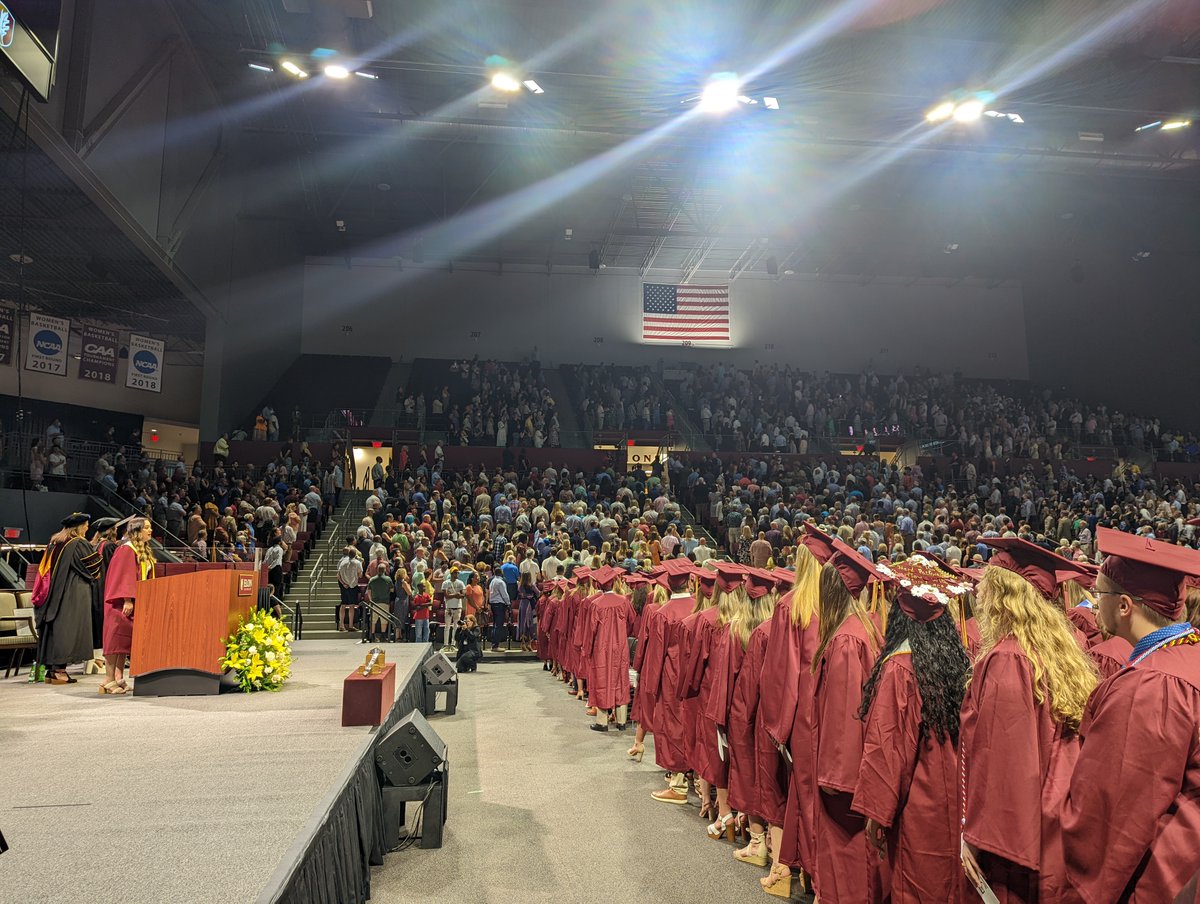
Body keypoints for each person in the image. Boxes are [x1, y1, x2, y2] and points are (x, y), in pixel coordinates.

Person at [1062, 528, 1200, 903]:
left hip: (1162, 880)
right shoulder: (1189, 659)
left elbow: (1115, 817)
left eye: (1099, 593)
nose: (1094, 602)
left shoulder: (1152, 686)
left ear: (1124, 605)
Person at [960, 536, 1099, 903]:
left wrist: (976, 838)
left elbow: (1004, 760)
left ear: (1003, 594)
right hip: (1053, 815)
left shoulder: (1010, 659)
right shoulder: (1055, 649)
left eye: (987, 586)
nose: (979, 593)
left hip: (1018, 835)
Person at [853, 555, 973, 903]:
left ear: (899, 614)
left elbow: (888, 748)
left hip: (917, 803)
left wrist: (877, 813)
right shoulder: (957, 662)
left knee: (913, 886)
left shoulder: (900, 668)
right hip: (954, 797)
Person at [34, 513, 102, 684]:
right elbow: (93, 568)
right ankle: (59, 670)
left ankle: (51, 670)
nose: (87, 528)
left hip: (53, 592)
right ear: (78, 527)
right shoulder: (78, 543)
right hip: (70, 592)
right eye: (86, 525)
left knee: (55, 628)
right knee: (67, 629)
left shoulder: (55, 542)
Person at [101, 518, 155, 695]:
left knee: (123, 642)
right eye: (147, 528)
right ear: (137, 531)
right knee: (115, 640)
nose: (150, 530)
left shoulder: (141, 550)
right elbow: (124, 575)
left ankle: (118, 677)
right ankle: (108, 680)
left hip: (133, 602)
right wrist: (127, 599)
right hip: (121, 604)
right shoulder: (126, 549)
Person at [336, 542, 364, 633]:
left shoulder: (342, 562)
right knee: (352, 606)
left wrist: (343, 583)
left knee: (343, 605)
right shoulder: (357, 563)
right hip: (353, 586)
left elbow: (338, 575)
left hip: (344, 586)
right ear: (355, 554)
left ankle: (341, 625)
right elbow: (360, 575)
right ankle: (351, 625)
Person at [366, 567, 395, 642]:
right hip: (384, 602)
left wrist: (370, 600)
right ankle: (383, 636)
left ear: (377, 570)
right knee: (384, 620)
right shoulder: (388, 579)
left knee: (373, 620)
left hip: (374, 602)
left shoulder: (372, 579)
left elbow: (369, 591)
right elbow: (392, 590)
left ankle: (372, 636)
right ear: (385, 570)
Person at [442, 567, 467, 651]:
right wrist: (456, 595)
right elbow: (446, 595)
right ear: (451, 574)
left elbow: (463, 595)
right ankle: (445, 644)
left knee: (456, 626)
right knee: (447, 626)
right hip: (449, 607)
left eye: (457, 573)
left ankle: (453, 643)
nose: (456, 574)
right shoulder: (446, 583)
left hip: (458, 607)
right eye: (454, 573)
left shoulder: (460, 583)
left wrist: (452, 595)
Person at [488, 566, 512, 651]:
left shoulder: (492, 581)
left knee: (495, 625)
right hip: (499, 604)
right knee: (498, 625)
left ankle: (493, 643)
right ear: (501, 573)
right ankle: (495, 645)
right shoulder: (501, 582)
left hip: (493, 604)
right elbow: (504, 594)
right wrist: (508, 603)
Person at [517, 570, 538, 652]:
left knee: (522, 623)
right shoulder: (532, 585)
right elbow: (538, 593)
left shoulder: (520, 585)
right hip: (530, 604)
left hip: (522, 604)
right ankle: (529, 643)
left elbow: (520, 594)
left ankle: (523, 643)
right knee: (530, 623)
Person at [411, 580, 432, 644]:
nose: (424, 588)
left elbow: (430, 603)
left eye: (425, 587)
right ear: (419, 587)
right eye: (423, 587)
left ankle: (425, 643)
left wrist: (422, 605)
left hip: (426, 616)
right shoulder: (417, 597)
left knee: (427, 631)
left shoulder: (426, 595)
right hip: (419, 617)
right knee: (418, 633)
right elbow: (417, 608)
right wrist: (425, 605)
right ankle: (418, 644)